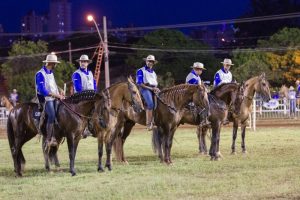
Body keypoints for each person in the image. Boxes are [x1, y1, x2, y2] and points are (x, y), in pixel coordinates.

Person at [35, 53, 64, 148]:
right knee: (51, 114)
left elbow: (52, 85)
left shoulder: (50, 72)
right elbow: (42, 90)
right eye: (55, 63)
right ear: (51, 63)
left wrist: (59, 89)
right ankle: (48, 139)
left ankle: (58, 134)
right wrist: (56, 95)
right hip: (45, 99)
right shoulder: (40, 74)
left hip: (54, 97)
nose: (56, 65)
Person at [72, 55, 97, 138]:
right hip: (80, 96)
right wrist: (88, 95)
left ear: (87, 63)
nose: (83, 63)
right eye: (81, 61)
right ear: (79, 62)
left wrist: (95, 93)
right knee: (87, 110)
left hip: (91, 96)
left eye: (85, 61)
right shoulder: (76, 74)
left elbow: (94, 84)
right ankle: (84, 129)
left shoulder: (90, 73)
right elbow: (78, 88)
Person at [136, 55, 160, 131]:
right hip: (144, 88)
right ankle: (148, 124)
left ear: (153, 63)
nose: (150, 63)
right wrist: (151, 88)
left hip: (153, 89)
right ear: (146, 61)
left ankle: (155, 121)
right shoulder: (141, 70)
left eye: (151, 61)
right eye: (149, 61)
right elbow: (140, 83)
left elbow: (155, 83)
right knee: (150, 104)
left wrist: (156, 88)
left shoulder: (154, 73)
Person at [185, 62, 210, 126]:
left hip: (195, 94)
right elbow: (198, 86)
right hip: (189, 94)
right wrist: (204, 88)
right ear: (195, 69)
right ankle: (202, 120)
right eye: (199, 69)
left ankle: (204, 118)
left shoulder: (197, 76)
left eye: (201, 69)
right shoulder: (191, 76)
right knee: (202, 103)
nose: (200, 71)